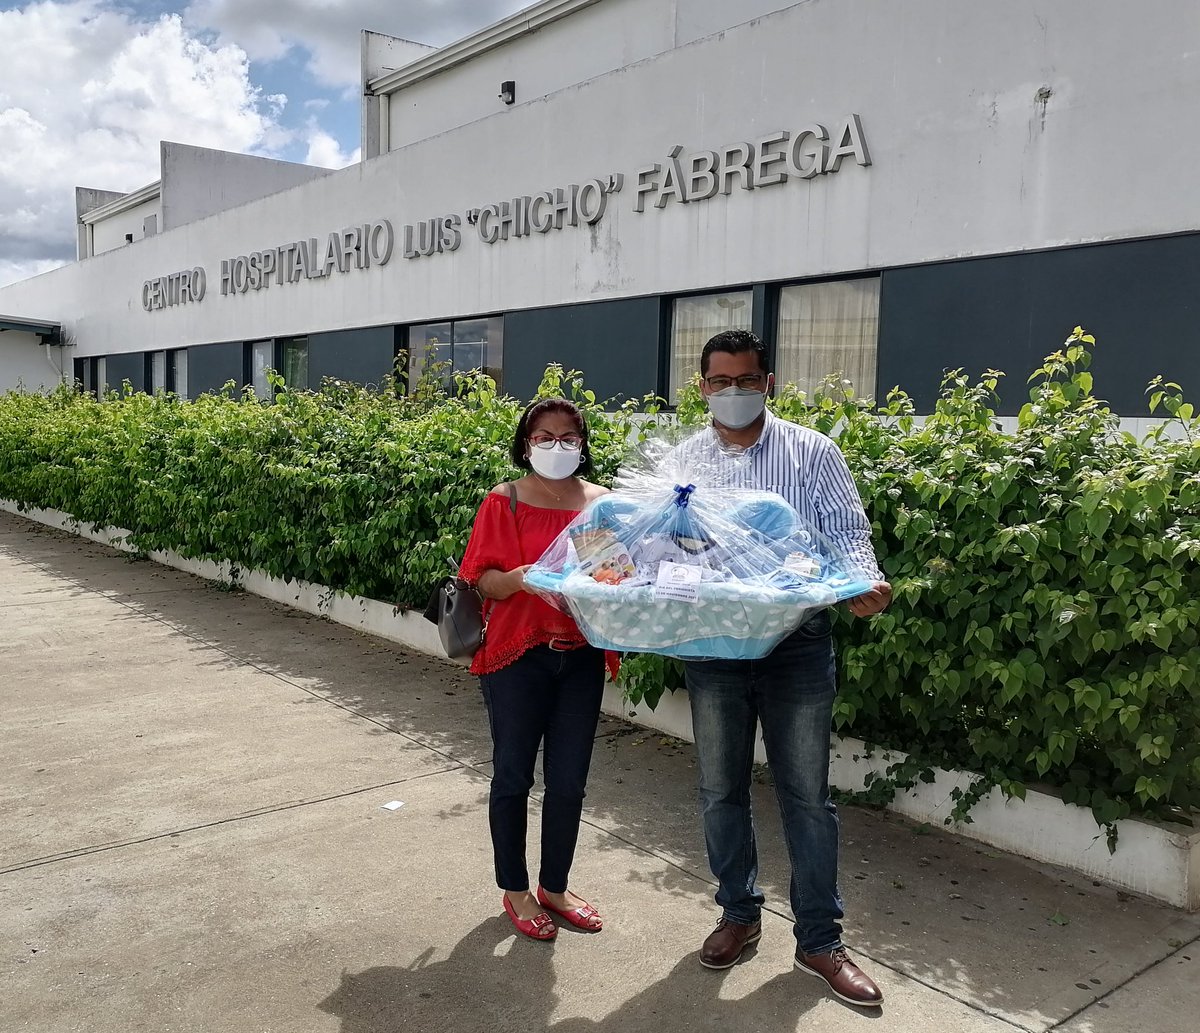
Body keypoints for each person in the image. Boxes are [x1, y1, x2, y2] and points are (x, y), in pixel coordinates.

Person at [680, 329, 892, 1007]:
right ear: (702, 386)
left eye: (747, 379)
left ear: (768, 382)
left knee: (806, 796)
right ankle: (738, 913)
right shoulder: (684, 462)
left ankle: (820, 939)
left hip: (797, 644)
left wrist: (862, 582)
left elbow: (846, 531)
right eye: (721, 381)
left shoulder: (812, 452)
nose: (734, 391)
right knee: (720, 790)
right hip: (714, 645)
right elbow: (666, 547)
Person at [458, 397, 611, 941]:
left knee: (569, 782)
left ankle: (555, 887)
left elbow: (614, 573)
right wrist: (520, 578)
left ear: (582, 444)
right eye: (544, 437)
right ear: (526, 444)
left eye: (568, 436)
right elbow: (483, 581)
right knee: (513, 776)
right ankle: (516, 889)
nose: (556, 446)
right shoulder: (505, 501)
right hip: (517, 657)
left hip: (581, 655)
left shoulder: (602, 504)